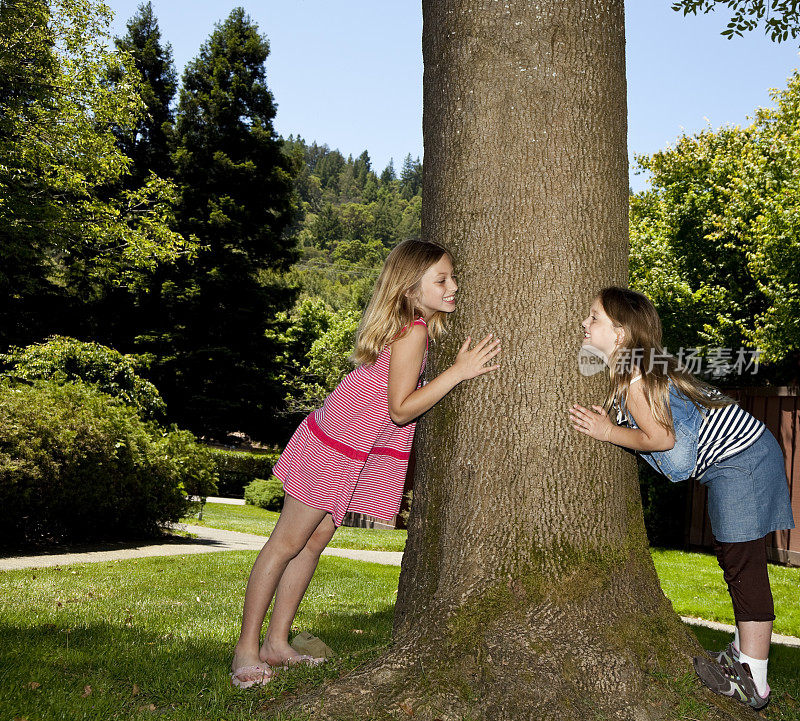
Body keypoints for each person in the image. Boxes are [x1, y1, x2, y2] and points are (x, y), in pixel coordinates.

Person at [230, 239, 501, 688]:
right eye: (442, 280)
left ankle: (277, 642)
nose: (454, 287)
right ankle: (246, 648)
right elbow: (399, 409)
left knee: (312, 542)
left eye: (453, 278)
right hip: (333, 448)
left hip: (344, 449)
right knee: (286, 543)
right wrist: (458, 372)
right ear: (411, 288)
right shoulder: (413, 330)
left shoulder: (415, 329)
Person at [568, 286, 794, 711]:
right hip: (747, 456)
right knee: (737, 558)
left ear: (620, 333)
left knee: (741, 562)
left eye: (594, 317)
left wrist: (608, 431)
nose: (585, 323)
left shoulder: (637, 378)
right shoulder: (635, 374)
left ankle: (754, 679)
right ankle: (744, 657)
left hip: (742, 462)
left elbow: (669, 446)